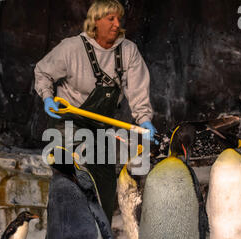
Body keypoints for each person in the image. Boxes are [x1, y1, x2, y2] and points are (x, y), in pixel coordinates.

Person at [34, 0, 156, 223]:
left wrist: (144, 118)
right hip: (68, 124)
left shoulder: (128, 51)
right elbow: (43, 72)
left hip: (101, 126)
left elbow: (138, 90)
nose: (117, 24)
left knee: (104, 189)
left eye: (119, 19)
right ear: (96, 21)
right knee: (69, 186)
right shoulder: (71, 48)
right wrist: (47, 97)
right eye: (111, 19)